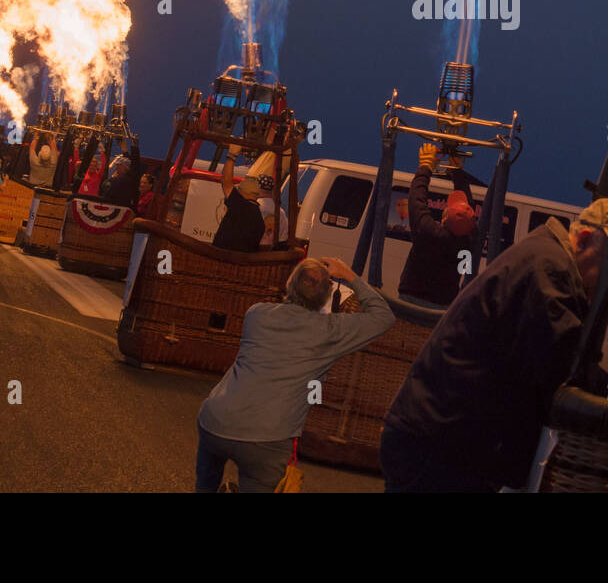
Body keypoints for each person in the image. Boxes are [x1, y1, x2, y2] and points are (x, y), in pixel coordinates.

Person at [380, 196, 608, 492]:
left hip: (443, 438)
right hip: (443, 445)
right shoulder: (550, 270)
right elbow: (560, 362)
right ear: (585, 239)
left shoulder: (545, 258)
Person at [196, 255, 394, 492]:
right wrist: (348, 275)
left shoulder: (256, 314)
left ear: (290, 284)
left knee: (205, 484)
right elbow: (384, 316)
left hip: (215, 419)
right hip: (267, 438)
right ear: (326, 296)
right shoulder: (330, 331)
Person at [397, 143, 478, 309]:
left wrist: (425, 166)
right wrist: (457, 171)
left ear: (444, 218)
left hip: (410, 300)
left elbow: (416, 199)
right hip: (442, 308)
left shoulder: (429, 232)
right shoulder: (468, 243)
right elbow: (466, 269)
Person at [210, 145, 268, 253]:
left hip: (220, 260)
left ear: (242, 193)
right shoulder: (260, 221)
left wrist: (232, 155)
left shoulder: (240, 205)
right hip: (239, 266)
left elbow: (226, 183)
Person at [99, 141, 142, 208]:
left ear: (123, 167)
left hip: (117, 206)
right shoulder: (127, 178)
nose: (117, 168)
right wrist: (126, 149)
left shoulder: (122, 179)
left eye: (119, 166)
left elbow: (135, 164)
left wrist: (134, 147)